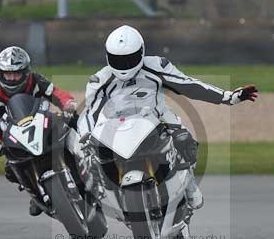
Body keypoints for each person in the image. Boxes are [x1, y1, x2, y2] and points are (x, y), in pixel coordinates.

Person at [79, 24, 258, 210]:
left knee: (185, 140)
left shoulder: (157, 66)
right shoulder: (99, 80)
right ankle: (102, 199)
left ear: (141, 52)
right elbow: (90, 113)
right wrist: (85, 137)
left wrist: (228, 97)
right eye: (118, 60)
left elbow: (188, 84)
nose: (124, 66)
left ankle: (188, 185)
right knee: (92, 158)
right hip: (116, 127)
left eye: (129, 59)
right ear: (108, 57)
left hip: (156, 117)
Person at [0, 46, 78, 215]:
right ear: (0, 74)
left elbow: (56, 94)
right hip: (16, 136)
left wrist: (68, 104)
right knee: (10, 170)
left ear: (26, 72)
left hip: (42, 124)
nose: (12, 78)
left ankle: (86, 165)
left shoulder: (35, 80)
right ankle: (35, 193)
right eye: (8, 74)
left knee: (72, 125)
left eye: (17, 73)